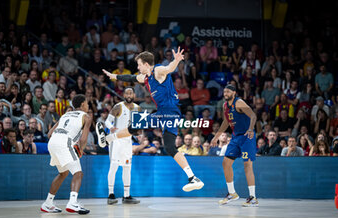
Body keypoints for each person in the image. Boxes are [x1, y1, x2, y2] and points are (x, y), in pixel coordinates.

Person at [99, 48, 204, 192]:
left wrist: (176, 60)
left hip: (169, 113)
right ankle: (193, 178)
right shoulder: (145, 78)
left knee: (135, 125)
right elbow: (130, 78)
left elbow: (169, 68)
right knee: (169, 147)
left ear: (146, 64)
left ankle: (109, 138)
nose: (137, 67)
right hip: (167, 114)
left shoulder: (158, 71)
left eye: (139, 64)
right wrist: (114, 76)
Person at [41, 94, 91, 214]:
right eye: (87, 103)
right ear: (83, 104)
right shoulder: (86, 117)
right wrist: (81, 150)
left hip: (52, 142)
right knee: (78, 173)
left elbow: (49, 134)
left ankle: (48, 203)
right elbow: (83, 139)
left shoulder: (65, 115)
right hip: (65, 142)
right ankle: (73, 203)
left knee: (63, 173)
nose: (88, 106)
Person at [210, 84, 258, 207]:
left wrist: (251, 129)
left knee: (247, 165)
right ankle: (232, 193)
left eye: (228, 92)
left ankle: (253, 197)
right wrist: (215, 137)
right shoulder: (225, 105)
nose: (225, 94)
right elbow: (226, 122)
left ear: (234, 93)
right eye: (224, 92)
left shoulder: (239, 102)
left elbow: (253, 115)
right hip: (236, 137)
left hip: (247, 136)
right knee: (225, 163)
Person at [103, 87, 141, 205]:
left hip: (128, 141)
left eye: (131, 92)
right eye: (127, 93)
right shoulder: (118, 106)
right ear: (124, 95)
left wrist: (139, 133)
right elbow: (107, 121)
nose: (129, 95)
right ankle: (111, 194)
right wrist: (110, 128)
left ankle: (126, 195)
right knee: (114, 166)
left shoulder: (137, 108)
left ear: (134, 94)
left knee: (127, 167)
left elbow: (137, 125)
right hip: (116, 140)